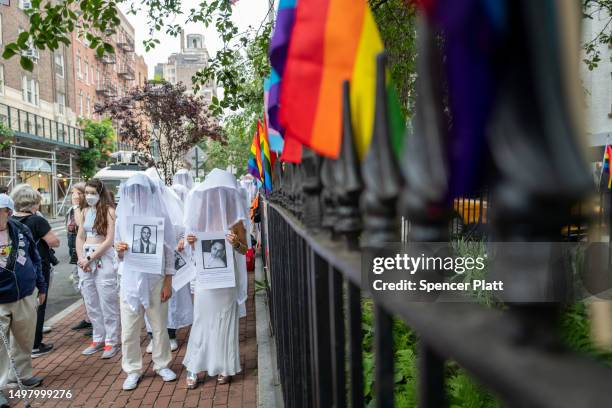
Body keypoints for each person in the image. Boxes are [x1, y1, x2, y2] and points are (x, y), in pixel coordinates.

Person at [180, 168, 248, 389]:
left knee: (225, 320)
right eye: (213, 193)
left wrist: (235, 243)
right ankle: (194, 365)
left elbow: (244, 249)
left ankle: (224, 366)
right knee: (202, 319)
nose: (217, 197)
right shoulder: (199, 218)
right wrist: (190, 242)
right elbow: (187, 249)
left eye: (222, 193)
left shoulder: (236, 220)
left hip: (227, 279)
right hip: (205, 278)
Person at [114, 174, 177, 391]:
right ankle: (132, 369)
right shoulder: (123, 217)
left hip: (155, 278)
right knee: (129, 329)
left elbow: (169, 251)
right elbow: (117, 251)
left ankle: (162, 364)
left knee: (159, 325)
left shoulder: (160, 216)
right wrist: (119, 250)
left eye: (141, 190)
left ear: (149, 192)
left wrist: (168, 280)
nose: (137, 195)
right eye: (133, 191)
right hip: (130, 281)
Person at [0, 194, 46, 392]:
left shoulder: (20, 229)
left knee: (24, 338)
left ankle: (22, 375)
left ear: (7, 212)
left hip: (25, 293)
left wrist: (41, 286)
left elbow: (35, 258)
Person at [11, 184, 60, 358]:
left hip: (17, 269)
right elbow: (54, 241)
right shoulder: (37, 220)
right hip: (38, 266)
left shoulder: (11, 220)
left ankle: (21, 344)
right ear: (33, 203)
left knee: (20, 307)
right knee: (39, 303)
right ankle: (35, 344)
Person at [75, 179, 120, 359]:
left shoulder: (110, 212)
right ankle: (98, 337)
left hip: (103, 258)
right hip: (85, 259)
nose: (89, 196)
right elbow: (80, 237)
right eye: (86, 193)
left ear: (100, 193)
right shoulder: (85, 211)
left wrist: (89, 258)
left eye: (92, 193)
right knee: (91, 301)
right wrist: (81, 258)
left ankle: (111, 340)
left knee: (107, 300)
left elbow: (109, 240)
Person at [67, 183, 93, 334]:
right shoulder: (72, 210)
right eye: (72, 193)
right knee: (81, 286)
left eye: (77, 193)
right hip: (75, 253)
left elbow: (80, 226)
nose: (74, 196)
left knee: (88, 288)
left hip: (85, 254)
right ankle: (88, 317)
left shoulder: (85, 210)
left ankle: (94, 320)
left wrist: (77, 206)